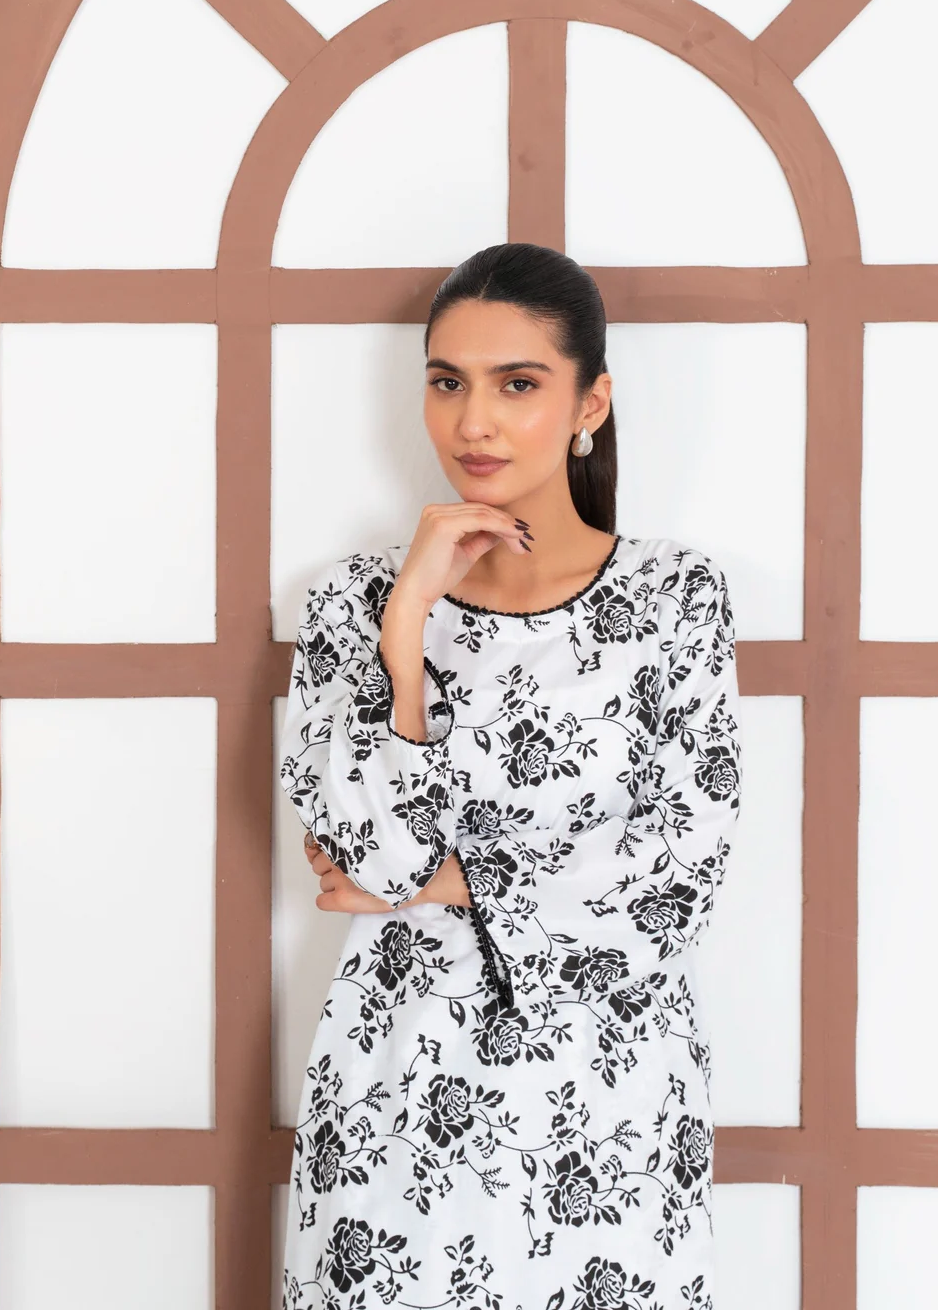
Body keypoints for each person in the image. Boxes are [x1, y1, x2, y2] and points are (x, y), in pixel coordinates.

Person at [278, 242, 743, 1310]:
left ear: (591, 403)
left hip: (608, 1103)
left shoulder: (676, 598)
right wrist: (406, 628)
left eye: (517, 384)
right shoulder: (354, 602)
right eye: (447, 382)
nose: (472, 422)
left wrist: (446, 883)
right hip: (395, 1091)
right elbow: (368, 854)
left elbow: (675, 887)